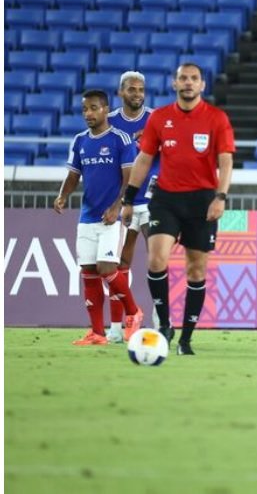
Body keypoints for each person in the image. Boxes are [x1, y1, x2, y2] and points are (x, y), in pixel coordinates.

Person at [121, 63, 235, 356]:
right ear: (174, 84)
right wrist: (129, 200)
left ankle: (186, 338)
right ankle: (165, 326)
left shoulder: (216, 119)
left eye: (193, 78)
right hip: (166, 198)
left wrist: (220, 197)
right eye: (183, 78)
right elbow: (144, 160)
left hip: (202, 201)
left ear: (202, 85)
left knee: (196, 270)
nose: (188, 83)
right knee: (156, 260)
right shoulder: (160, 118)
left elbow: (225, 161)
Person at [54, 89, 144, 346]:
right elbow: (73, 175)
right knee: (89, 271)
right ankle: (97, 333)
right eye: (84, 109)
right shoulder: (80, 140)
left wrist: (118, 206)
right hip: (87, 217)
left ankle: (133, 311)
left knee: (107, 269)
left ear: (106, 109)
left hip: (111, 219)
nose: (88, 114)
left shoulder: (121, 139)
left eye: (93, 108)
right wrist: (62, 196)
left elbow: (129, 179)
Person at [104, 70, 159, 343]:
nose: (137, 94)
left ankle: (161, 323)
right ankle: (116, 326)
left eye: (141, 90)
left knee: (156, 261)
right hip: (122, 203)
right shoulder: (109, 122)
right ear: (120, 92)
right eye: (132, 89)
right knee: (119, 263)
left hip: (151, 201)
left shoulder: (156, 120)